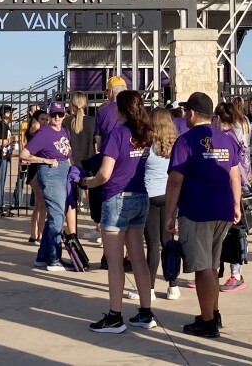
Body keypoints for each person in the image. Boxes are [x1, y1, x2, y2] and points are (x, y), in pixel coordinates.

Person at [165, 92, 242, 339]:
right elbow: (235, 176)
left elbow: (176, 180)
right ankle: (213, 312)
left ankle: (207, 321)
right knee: (213, 264)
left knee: (203, 267)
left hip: (198, 210)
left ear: (192, 113)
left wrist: (169, 214)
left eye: (187, 111)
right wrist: (237, 205)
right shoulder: (227, 139)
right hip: (223, 209)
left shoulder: (186, 141)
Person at [81, 90, 156, 333]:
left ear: (119, 110)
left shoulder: (117, 135)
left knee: (114, 263)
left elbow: (104, 174)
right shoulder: (145, 135)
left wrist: (85, 183)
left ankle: (115, 317)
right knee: (138, 259)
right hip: (140, 197)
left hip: (116, 198)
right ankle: (146, 313)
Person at [22, 101, 73, 271]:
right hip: (51, 175)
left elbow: (67, 154)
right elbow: (24, 154)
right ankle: (54, 258)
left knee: (55, 215)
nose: (57, 117)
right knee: (57, 217)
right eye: (54, 115)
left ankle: (43, 257)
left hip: (63, 173)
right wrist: (45, 160)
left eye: (60, 114)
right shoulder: (44, 132)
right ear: (49, 115)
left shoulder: (64, 130)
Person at [144, 106, 180, 300]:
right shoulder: (176, 145)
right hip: (169, 196)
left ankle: (149, 288)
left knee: (152, 243)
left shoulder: (147, 145)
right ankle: (173, 285)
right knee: (168, 241)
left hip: (150, 195)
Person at [214, 101, 250, 293]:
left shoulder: (225, 138)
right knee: (224, 234)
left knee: (233, 235)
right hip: (238, 187)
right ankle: (213, 273)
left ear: (218, 118)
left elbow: (232, 171)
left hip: (233, 189)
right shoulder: (236, 133)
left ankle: (236, 274)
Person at [26, 109, 49, 243]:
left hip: (36, 169)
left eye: (47, 119)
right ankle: (40, 235)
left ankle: (34, 234)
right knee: (42, 205)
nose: (45, 122)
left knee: (38, 205)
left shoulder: (39, 130)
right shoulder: (36, 130)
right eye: (42, 119)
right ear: (36, 120)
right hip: (36, 170)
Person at [95, 75, 126, 151]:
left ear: (111, 92)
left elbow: (98, 139)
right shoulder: (133, 108)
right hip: (129, 154)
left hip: (109, 152)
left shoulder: (102, 111)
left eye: (107, 92)